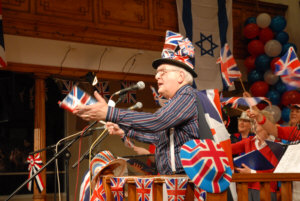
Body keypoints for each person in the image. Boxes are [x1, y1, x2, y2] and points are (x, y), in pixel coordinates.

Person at [73, 30, 213, 175]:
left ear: (180, 76)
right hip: (173, 181)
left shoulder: (186, 95)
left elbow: (157, 121)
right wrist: (124, 130)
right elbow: (157, 137)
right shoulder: (176, 101)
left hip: (187, 182)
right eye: (157, 72)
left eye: (163, 72)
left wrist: (111, 113)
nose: (157, 76)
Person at [232, 110, 279, 201]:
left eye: (258, 120)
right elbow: (228, 148)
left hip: (267, 191)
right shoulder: (249, 141)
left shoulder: (276, 145)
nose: (255, 123)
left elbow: (273, 173)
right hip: (246, 190)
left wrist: (251, 173)